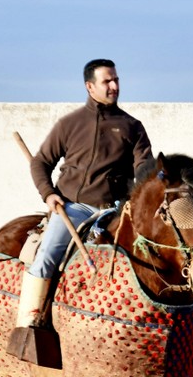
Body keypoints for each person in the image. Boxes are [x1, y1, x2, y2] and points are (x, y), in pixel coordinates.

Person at [11, 59, 154, 341]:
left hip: (115, 210)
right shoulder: (69, 124)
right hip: (73, 208)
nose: (114, 86)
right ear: (90, 87)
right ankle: (27, 330)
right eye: (106, 81)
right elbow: (40, 163)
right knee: (46, 257)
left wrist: (147, 187)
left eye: (116, 80)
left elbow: (144, 168)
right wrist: (48, 194)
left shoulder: (132, 127)